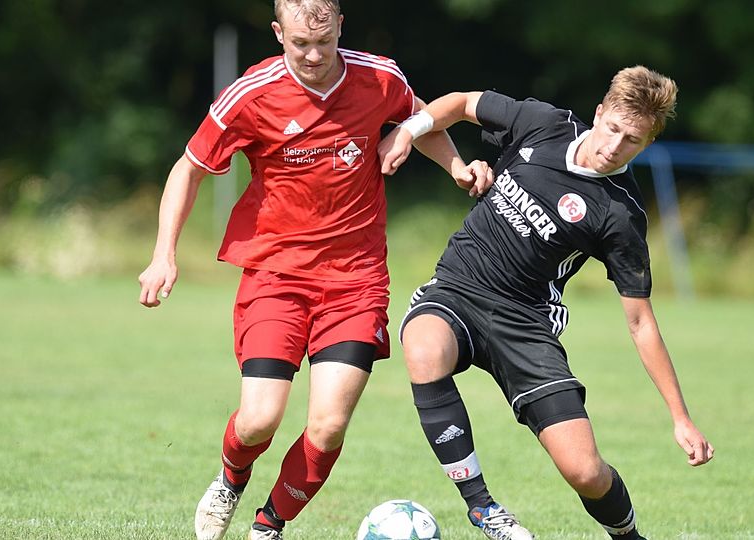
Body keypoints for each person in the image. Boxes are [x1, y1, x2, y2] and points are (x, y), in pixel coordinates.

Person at [137, 1, 492, 539]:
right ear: (278, 33)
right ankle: (231, 478)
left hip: (356, 281)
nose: (313, 55)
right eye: (300, 43)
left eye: (324, 43)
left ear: (340, 28)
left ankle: (268, 525)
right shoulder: (252, 93)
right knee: (259, 419)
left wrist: (457, 167)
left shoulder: (379, 77)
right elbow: (188, 169)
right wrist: (164, 253)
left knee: (327, 427)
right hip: (275, 276)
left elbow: (421, 119)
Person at [377, 66, 715, 540]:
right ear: (599, 112)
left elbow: (640, 322)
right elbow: (461, 102)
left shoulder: (620, 213)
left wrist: (680, 418)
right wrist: (408, 132)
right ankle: (483, 508)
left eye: (632, 140)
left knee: (586, 473)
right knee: (423, 348)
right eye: (612, 128)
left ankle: (629, 537)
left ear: (648, 143)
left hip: (526, 323)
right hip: (459, 287)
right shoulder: (545, 124)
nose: (614, 146)